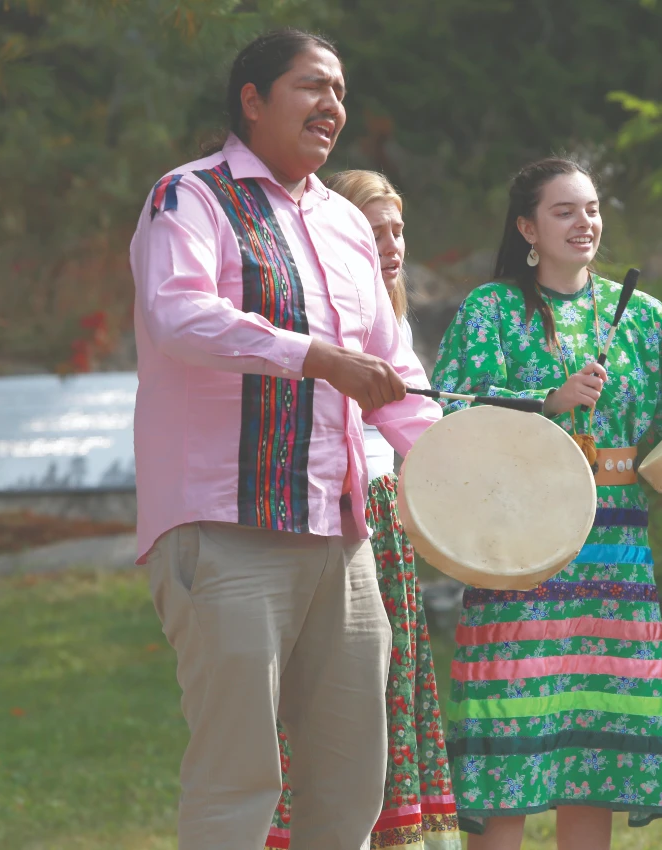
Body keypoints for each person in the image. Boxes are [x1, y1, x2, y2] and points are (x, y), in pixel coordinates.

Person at [129, 29, 441, 850]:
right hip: (227, 527)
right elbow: (179, 314)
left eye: (339, 90)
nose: (332, 106)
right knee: (240, 779)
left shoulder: (344, 223)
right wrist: (313, 357)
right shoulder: (188, 198)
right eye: (311, 87)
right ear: (253, 100)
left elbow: (396, 377)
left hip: (343, 543)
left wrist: (464, 481)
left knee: (350, 784)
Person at [430, 157, 662, 850]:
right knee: (507, 732)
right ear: (526, 228)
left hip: (614, 553)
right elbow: (447, 422)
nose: (586, 222)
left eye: (593, 209)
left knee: (595, 745)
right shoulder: (490, 313)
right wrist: (546, 403)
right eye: (565, 210)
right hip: (518, 546)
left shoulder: (650, 321)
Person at [265, 170, 459, 850]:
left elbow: (417, 420)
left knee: (391, 677)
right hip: (326, 503)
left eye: (398, 229)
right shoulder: (318, 308)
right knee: (320, 688)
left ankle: (391, 830)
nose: (391, 243)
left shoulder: (392, 313)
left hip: (384, 510)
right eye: (375, 229)